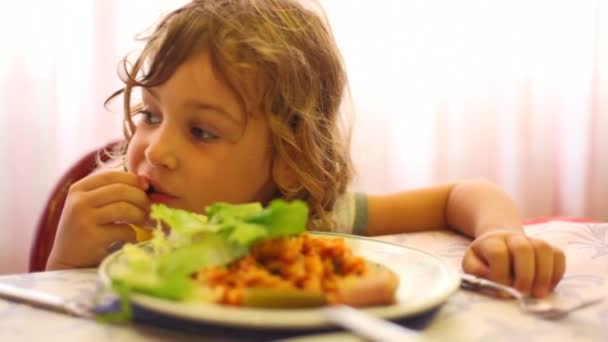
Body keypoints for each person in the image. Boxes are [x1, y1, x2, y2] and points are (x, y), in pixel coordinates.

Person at [46, 0, 565, 299]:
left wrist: (502, 234)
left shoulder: (309, 226)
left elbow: (462, 193)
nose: (154, 151)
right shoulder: (123, 234)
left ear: (290, 157)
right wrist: (65, 261)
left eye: (202, 131)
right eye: (150, 116)